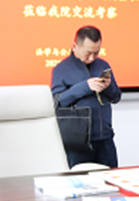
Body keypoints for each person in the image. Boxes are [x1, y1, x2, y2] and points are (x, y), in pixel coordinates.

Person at [51, 25, 121, 168]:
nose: (92, 57)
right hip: (78, 142)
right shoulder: (61, 69)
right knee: (79, 180)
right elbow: (57, 101)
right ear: (74, 46)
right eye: (88, 53)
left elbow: (116, 97)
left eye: (96, 53)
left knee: (111, 178)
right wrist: (85, 86)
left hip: (105, 138)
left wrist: (109, 87)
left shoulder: (103, 65)